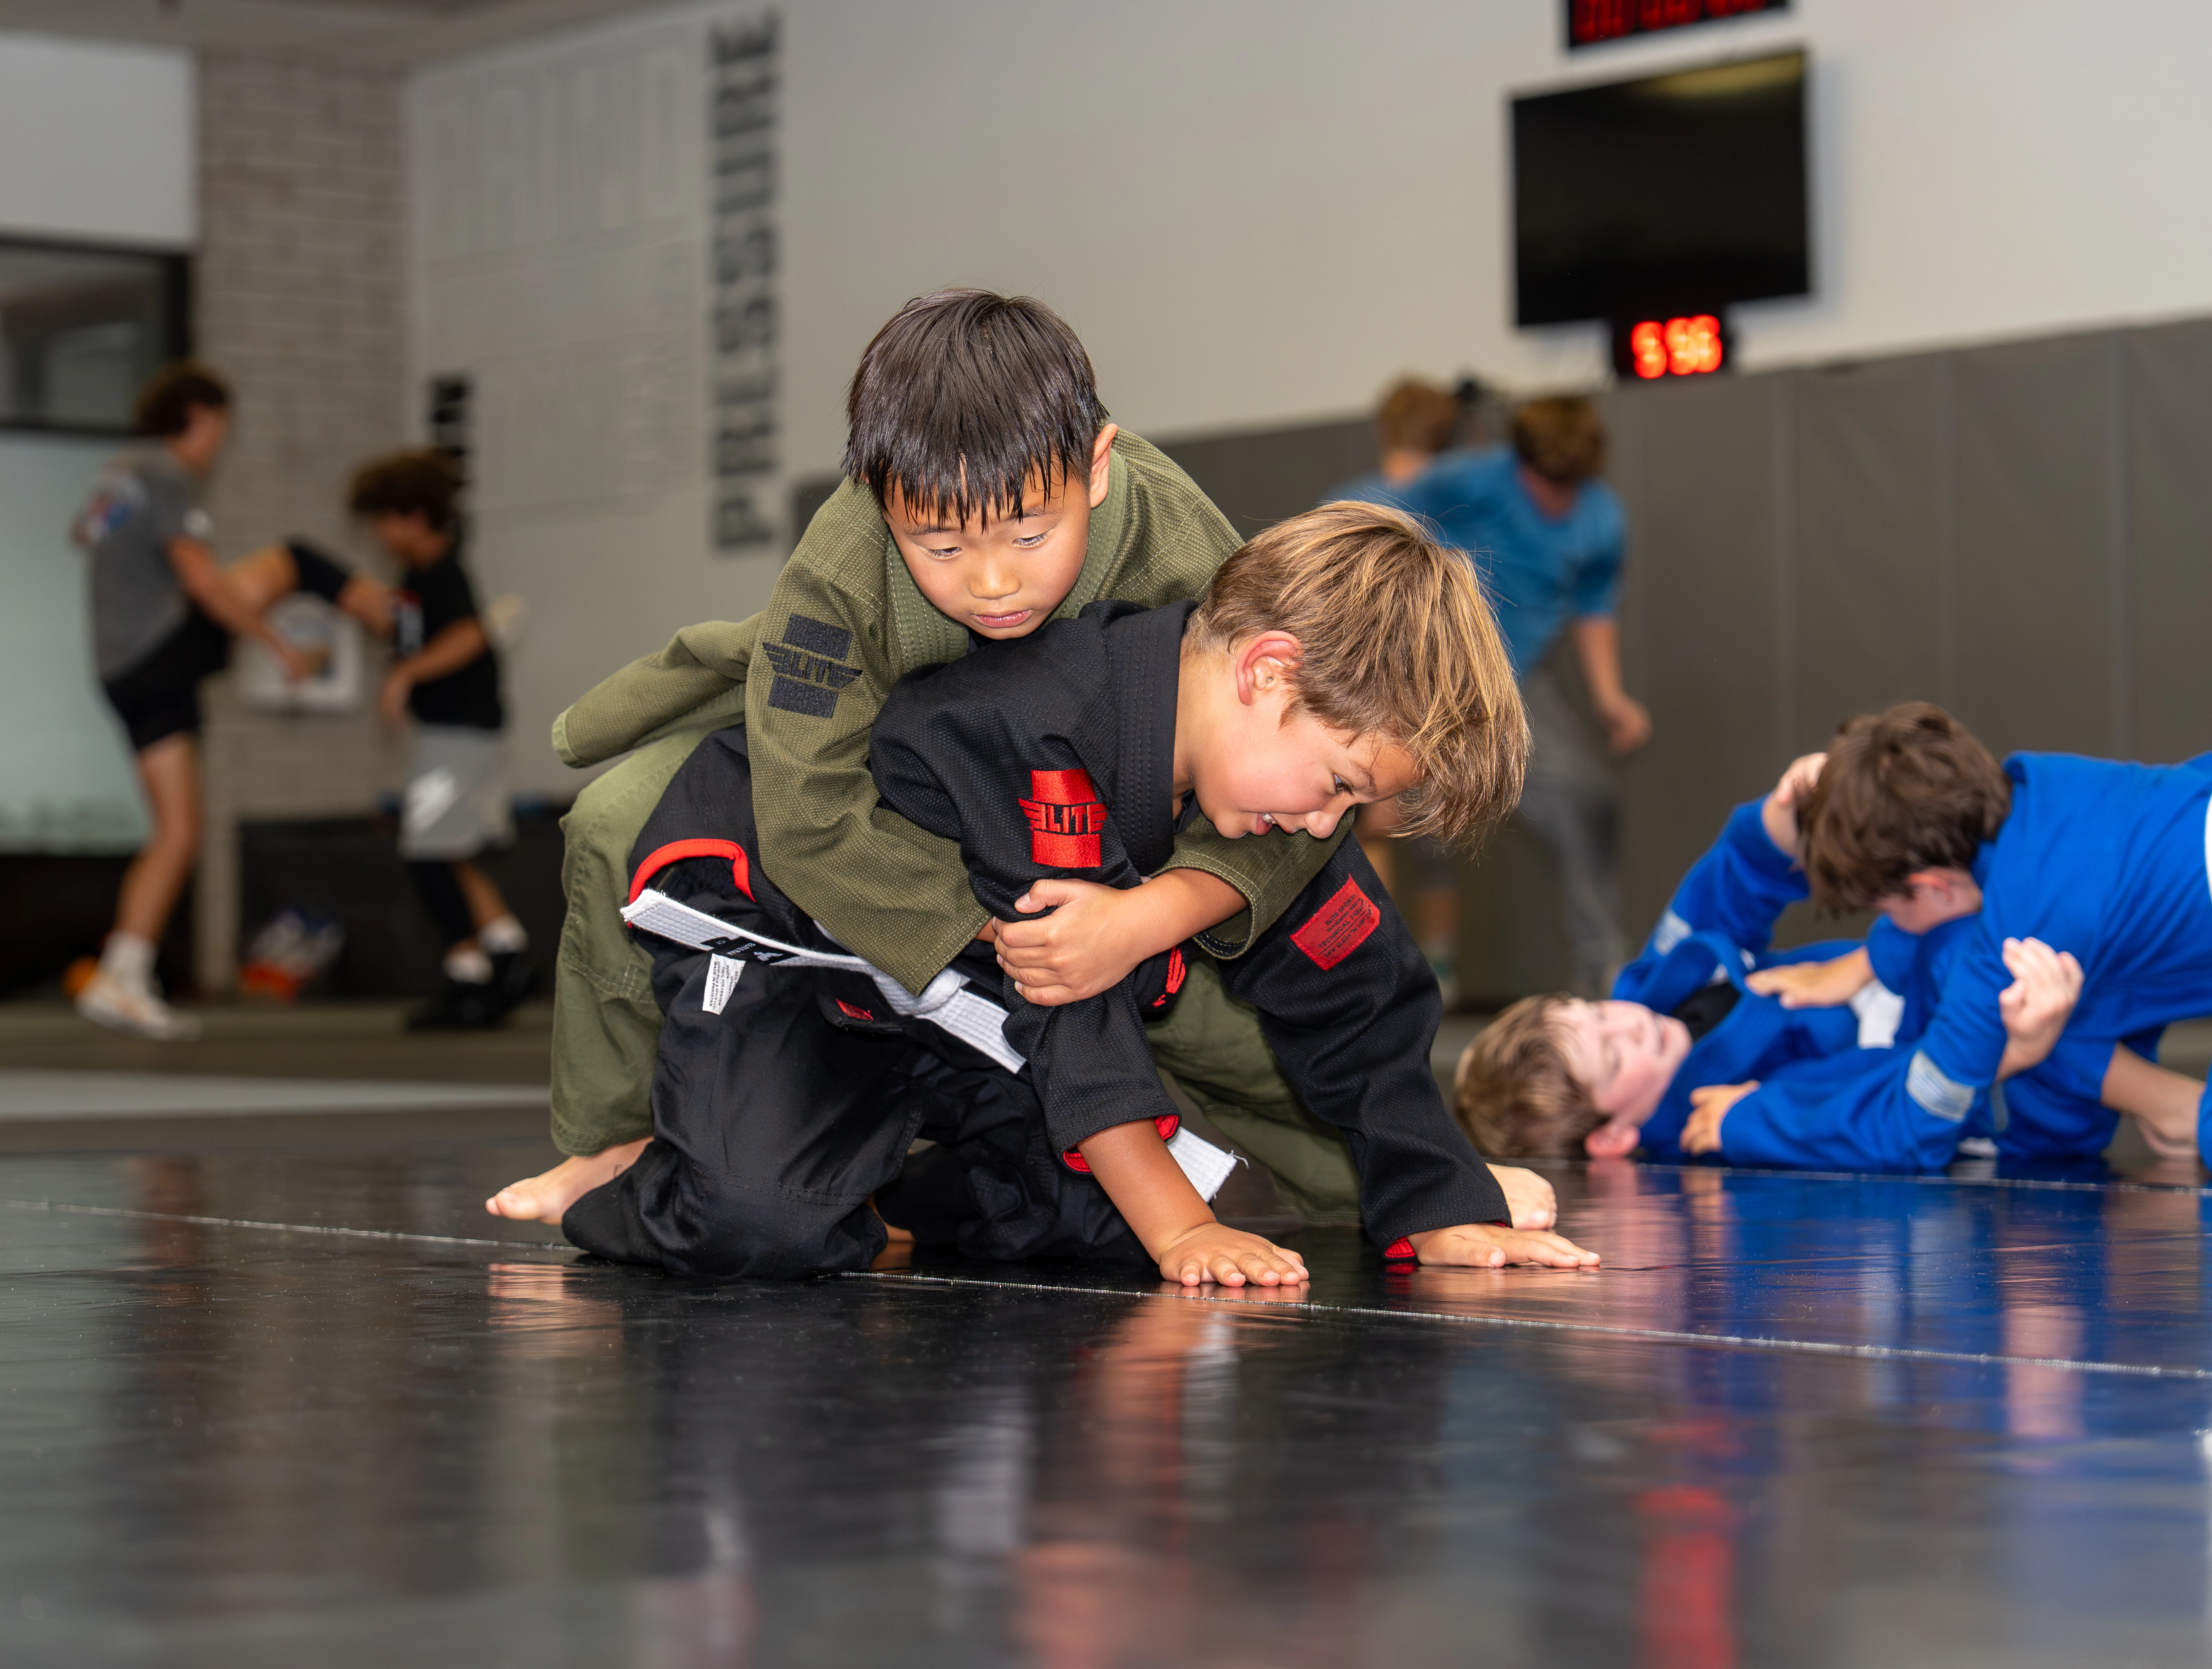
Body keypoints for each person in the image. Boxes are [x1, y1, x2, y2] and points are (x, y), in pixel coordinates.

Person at [488, 292, 1366, 1223]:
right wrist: (1014, 932)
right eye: (940, 546)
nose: (992, 583)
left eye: (1030, 537)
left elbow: (1279, 757)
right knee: (613, 822)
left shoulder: (1175, 546)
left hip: (1087, 814)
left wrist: (1149, 916)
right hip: (870, 754)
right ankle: (620, 1139)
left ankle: (1374, 1169)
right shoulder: (840, 569)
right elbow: (810, 817)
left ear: (1096, 468)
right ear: (879, 495)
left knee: (1237, 989)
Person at [557, 503, 1598, 1282]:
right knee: (757, 1226)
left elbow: (1363, 993)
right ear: (1268, 673)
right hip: (798, 957)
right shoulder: (1034, 724)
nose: (1324, 825)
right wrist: (1185, 1233)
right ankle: (648, 1172)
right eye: (1336, 786)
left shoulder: (1263, 785)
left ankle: (869, 1185)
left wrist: (1433, 1203)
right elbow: (1070, 1010)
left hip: (958, 1005)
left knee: (1098, 1226)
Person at [1455, 749, 2195, 1168]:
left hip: (1966, 970)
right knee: (2001, 985)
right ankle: (2174, 1107)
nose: (1626, 1024)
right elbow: (1901, 1111)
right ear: (1615, 1134)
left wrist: (1791, 819)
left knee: (2014, 897)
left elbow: (1729, 885)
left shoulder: (1652, 987)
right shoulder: (1715, 1118)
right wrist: (1756, 1120)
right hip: (2003, 1087)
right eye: (1613, 1059)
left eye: (1595, 1012)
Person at [1676, 704, 2212, 1171]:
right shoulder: (2048, 784)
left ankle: (2182, 1111)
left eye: (1883, 909)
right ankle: (2177, 1109)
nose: (1887, 925)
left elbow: (1909, 1127)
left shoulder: (2012, 945)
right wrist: (1873, 958)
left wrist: (1749, 1122)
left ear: (1931, 886)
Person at [72, 360, 389, 1040]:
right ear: (199, 417)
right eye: (219, 428)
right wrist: (273, 644)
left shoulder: (119, 474)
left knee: (180, 829)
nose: (218, 444)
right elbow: (201, 580)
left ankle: (119, 975)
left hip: (121, 672)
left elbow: (84, 533)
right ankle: (400, 622)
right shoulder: (162, 470)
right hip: (157, 648)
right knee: (297, 560)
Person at [1401, 396, 1650, 998]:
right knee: (1413, 815)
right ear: (1519, 463)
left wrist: (1610, 695)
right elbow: (1385, 512)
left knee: (1589, 799)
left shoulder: (1600, 519)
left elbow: (1593, 606)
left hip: (1515, 683)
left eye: (1569, 487)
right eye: (1545, 484)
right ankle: (1427, 967)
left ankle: (1601, 963)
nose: (1555, 501)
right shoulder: (1471, 479)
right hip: (1434, 669)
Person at [345, 449, 532, 1030]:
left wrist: (407, 674)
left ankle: (470, 968)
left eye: (384, 519)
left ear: (415, 517)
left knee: (427, 848)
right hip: (449, 731)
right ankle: (504, 952)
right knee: (448, 847)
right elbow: (414, 636)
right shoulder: (415, 583)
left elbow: (471, 637)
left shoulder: (442, 573)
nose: (379, 533)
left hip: (459, 732)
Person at [1325, 377, 1468, 994]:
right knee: (1430, 834)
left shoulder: (1349, 505)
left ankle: (1382, 964)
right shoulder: (1466, 511)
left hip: (1374, 693)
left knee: (1375, 828)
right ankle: (1437, 965)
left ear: (1387, 430)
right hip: (1437, 695)